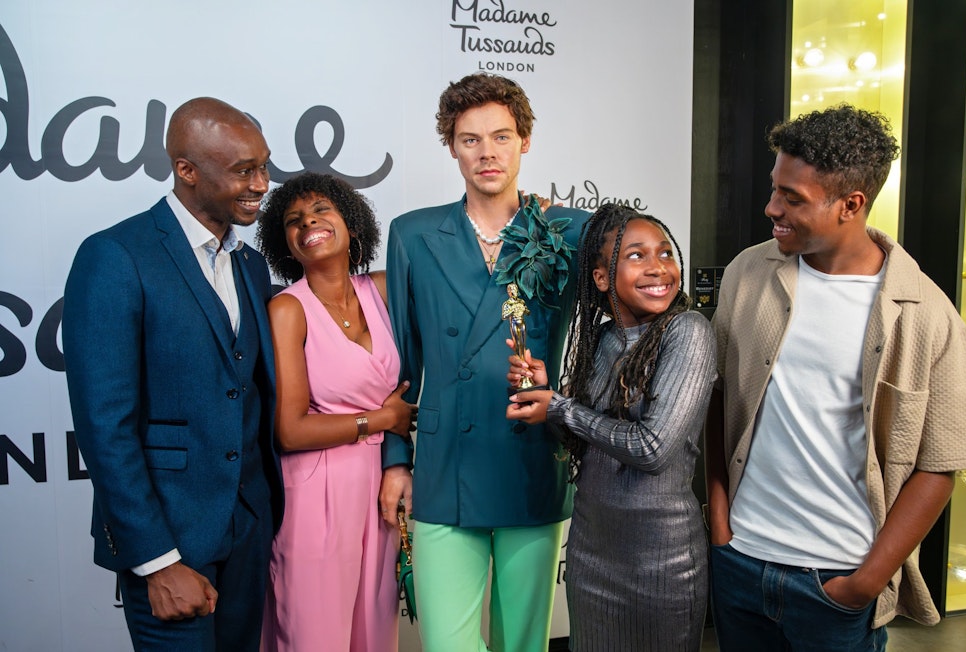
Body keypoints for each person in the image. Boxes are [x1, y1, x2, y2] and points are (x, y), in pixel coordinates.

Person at [705, 104, 966, 651]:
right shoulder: (747, 273)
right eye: (775, 189)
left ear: (851, 205)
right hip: (741, 560)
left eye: (794, 199)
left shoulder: (928, 316)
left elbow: (941, 465)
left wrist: (864, 582)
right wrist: (721, 525)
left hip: (836, 581)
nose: (772, 208)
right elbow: (721, 401)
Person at [63, 97, 283, 650]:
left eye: (264, 165)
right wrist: (156, 562)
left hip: (249, 532)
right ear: (187, 170)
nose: (261, 183)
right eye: (242, 170)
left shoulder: (250, 263)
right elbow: (105, 425)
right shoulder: (115, 255)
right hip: (171, 543)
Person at [380, 72, 587, 652]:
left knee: (524, 643)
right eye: (470, 139)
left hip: (531, 454)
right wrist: (397, 461)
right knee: (448, 643)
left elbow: (623, 310)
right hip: (446, 465)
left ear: (525, 141)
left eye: (501, 136)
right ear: (451, 146)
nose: (487, 152)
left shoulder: (568, 231)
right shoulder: (412, 234)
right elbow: (401, 364)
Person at [506, 203, 717, 651]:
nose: (658, 267)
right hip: (591, 554)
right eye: (636, 256)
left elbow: (652, 450)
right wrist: (545, 395)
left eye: (665, 253)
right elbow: (581, 441)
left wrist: (561, 408)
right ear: (601, 278)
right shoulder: (599, 340)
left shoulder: (688, 332)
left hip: (662, 563)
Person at [254, 172, 416, 651]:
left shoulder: (383, 290)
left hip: (380, 486)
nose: (309, 223)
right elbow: (289, 430)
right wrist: (384, 421)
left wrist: (520, 221)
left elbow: (464, 294)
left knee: (373, 630)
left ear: (350, 220)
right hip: (314, 493)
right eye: (293, 220)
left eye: (322, 210)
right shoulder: (288, 310)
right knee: (314, 634)